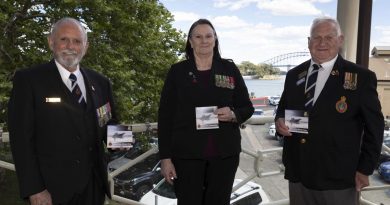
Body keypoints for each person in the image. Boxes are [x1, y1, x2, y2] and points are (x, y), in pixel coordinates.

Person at [275, 16, 384, 205]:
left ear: (340, 40)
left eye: (329, 37)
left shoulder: (361, 77)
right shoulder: (294, 75)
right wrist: (279, 121)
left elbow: (375, 128)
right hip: (298, 172)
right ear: (309, 42)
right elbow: (283, 109)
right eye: (316, 38)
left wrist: (365, 168)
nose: (322, 43)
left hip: (338, 177)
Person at [8, 17, 116, 205]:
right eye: (64, 39)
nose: (70, 46)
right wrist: (35, 189)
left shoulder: (100, 82)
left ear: (86, 46)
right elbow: (21, 140)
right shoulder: (29, 80)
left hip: (93, 186)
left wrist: (137, 143)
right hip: (52, 190)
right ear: (51, 42)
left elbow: (109, 125)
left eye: (77, 41)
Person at [158, 19, 254, 205]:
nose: (204, 41)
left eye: (209, 36)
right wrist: (165, 158)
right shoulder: (177, 72)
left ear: (215, 39)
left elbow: (247, 107)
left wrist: (234, 114)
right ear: (190, 41)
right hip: (186, 156)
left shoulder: (229, 69)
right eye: (198, 36)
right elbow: (165, 116)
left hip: (224, 155)